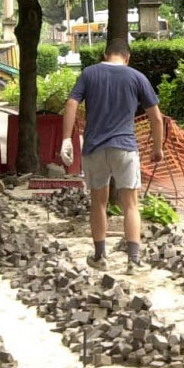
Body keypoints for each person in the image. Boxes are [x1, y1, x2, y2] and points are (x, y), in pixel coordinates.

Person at [59, 39, 164, 274]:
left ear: (105, 55)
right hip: (125, 148)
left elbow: (72, 102)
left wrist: (67, 138)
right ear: (127, 57)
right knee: (131, 205)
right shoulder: (136, 77)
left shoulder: (89, 73)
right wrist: (158, 148)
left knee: (99, 202)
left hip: (94, 148)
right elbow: (156, 118)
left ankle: (100, 256)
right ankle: (133, 261)